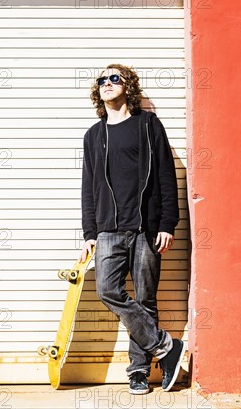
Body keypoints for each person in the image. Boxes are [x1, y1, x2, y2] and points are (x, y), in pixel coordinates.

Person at [77, 64, 185, 394]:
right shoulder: (94, 135)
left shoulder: (148, 125)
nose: (107, 83)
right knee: (108, 291)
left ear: (128, 86)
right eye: (101, 80)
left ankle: (138, 370)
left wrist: (168, 222)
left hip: (146, 227)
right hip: (109, 229)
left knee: (146, 298)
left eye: (114, 78)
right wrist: (89, 233)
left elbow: (167, 174)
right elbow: (88, 186)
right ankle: (167, 347)